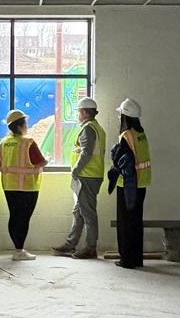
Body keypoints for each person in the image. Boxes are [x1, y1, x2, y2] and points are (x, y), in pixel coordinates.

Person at [53, 96, 106, 259]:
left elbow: (86, 153)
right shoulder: (97, 128)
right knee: (79, 212)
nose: (77, 115)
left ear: (84, 112)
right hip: (91, 175)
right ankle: (71, 244)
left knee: (88, 214)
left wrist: (75, 170)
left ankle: (90, 248)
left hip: (86, 176)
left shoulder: (88, 129)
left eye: (78, 112)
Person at [108, 98, 151, 269]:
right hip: (142, 183)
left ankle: (127, 259)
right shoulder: (141, 134)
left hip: (128, 185)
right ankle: (136, 258)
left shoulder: (126, 135)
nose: (119, 117)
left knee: (125, 223)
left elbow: (120, 161)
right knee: (136, 222)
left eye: (120, 114)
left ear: (125, 116)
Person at [0, 109, 48, 261]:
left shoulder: (3, 143)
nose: (27, 126)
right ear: (20, 127)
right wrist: (48, 160)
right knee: (24, 218)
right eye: (25, 124)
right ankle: (19, 250)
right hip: (27, 187)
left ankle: (17, 248)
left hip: (8, 186)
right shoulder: (28, 143)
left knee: (14, 216)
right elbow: (40, 161)